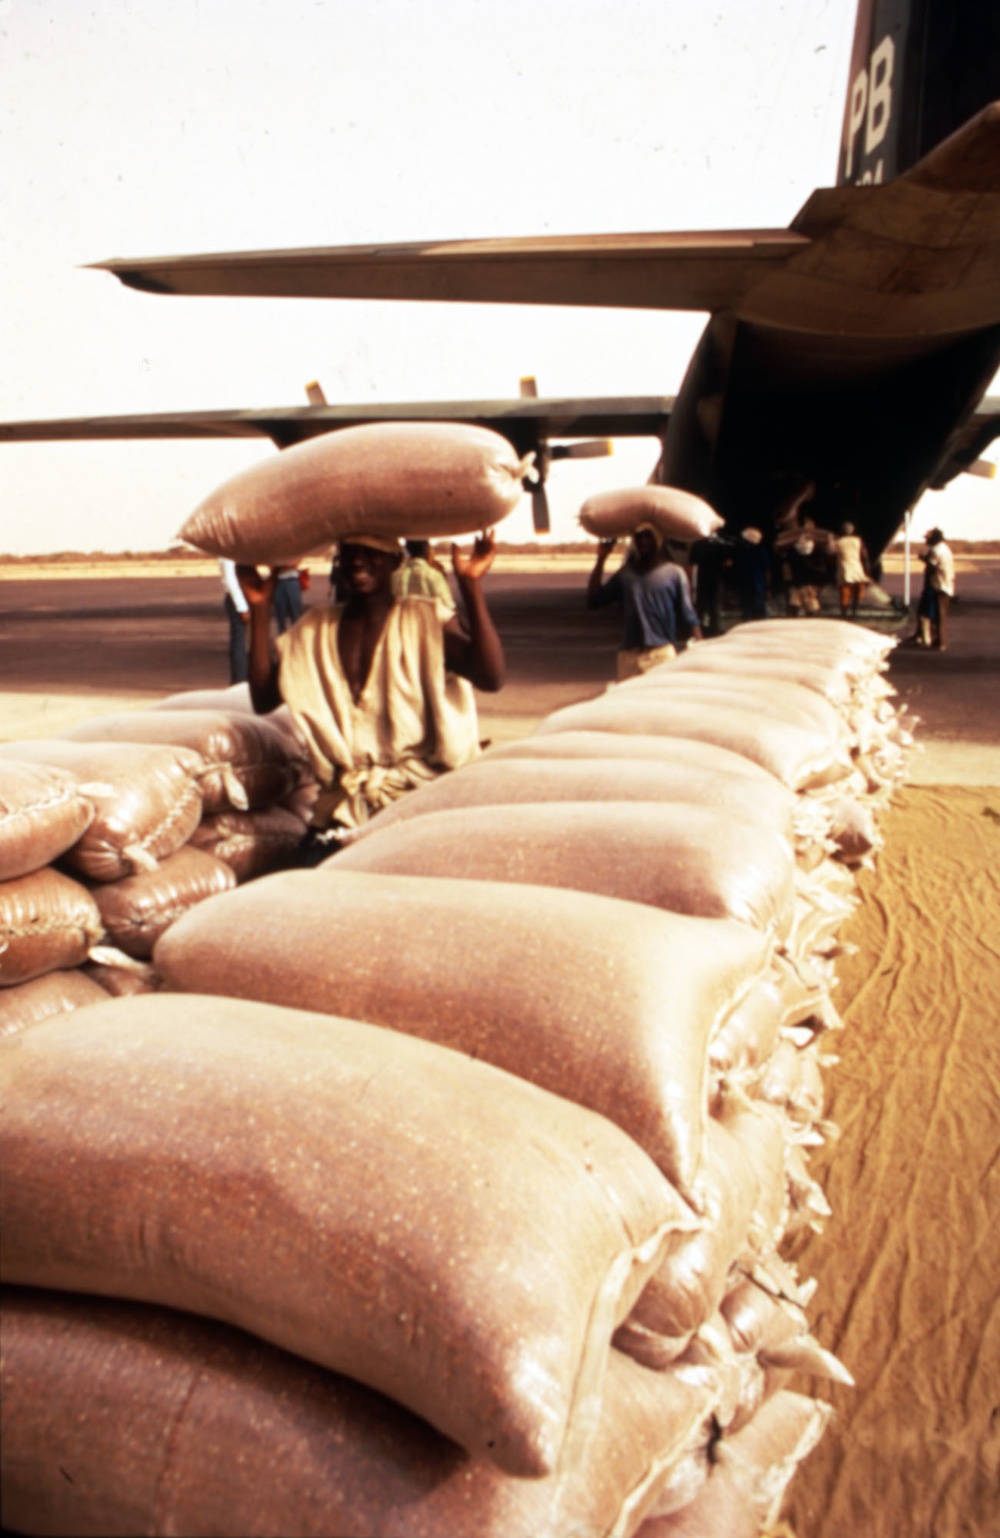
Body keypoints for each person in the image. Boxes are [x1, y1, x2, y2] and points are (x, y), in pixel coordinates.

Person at [238, 531, 504, 844]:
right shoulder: (314, 630)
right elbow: (263, 698)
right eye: (348, 553)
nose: (358, 561)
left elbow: (490, 677)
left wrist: (471, 586)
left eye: (372, 552)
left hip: (418, 801)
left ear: (396, 562)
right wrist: (259, 608)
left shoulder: (424, 619)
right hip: (342, 810)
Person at [587, 522, 702, 680]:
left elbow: (689, 615)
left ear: (659, 539)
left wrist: (702, 649)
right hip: (629, 657)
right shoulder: (626, 575)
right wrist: (601, 558)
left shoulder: (674, 574)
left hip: (661, 654)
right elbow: (594, 600)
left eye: (648, 536)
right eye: (639, 537)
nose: (643, 541)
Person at [392, 539, 456, 614]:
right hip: (430, 620)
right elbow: (448, 604)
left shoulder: (396, 575)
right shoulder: (433, 575)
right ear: (427, 551)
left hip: (402, 621)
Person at [922, 527, 955, 650]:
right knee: (939, 615)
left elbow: (932, 564)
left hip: (940, 585)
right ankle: (938, 640)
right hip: (946, 584)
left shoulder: (937, 550)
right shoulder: (945, 548)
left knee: (940, 616)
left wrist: (923, 558)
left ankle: (941, 642)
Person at [219, 557, 249, 683]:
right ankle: (239, 678)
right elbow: (231, 581)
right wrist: (242, 607)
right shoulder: (227, 557)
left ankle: (243, 675)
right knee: (238, 642)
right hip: (237, 600)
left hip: (242, 598)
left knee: (243, 641)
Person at [733, 526, 771, 620]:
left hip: (755, 582)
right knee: (751, 605)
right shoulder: (744, 551)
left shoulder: (757, 551)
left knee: (755, 605)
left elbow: (766, 569)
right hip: (752, 582)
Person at [835, 521, 871, 618]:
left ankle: (844, 614)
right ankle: (854, 613)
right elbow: (865, 557)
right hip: (857, 569)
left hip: (844, 569)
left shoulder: (837, 542)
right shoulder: (858, 541)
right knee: (856, 593)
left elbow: (832, 557)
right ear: (852, 530)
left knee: (844, 594)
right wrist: (868, 572)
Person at [272, 566, 305, 633]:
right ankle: (282, 638)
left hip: (292, 581)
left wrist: (283, 565)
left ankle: (296, 638)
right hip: (279, 581)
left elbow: (295, 562)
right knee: (280, 613)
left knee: (295, 614)